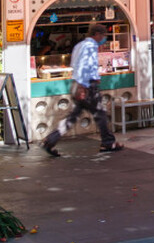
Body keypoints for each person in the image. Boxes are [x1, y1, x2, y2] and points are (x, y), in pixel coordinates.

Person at [43, 23, 123, 156]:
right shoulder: (90, 46)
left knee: (73, 116)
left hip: (78, 84)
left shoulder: (79, 45)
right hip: (87, 86)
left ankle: (51, 140)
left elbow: (74, 64)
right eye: (103, 35)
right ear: (97, 34)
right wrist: (83, 86)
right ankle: (108, 142)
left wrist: (78, 84)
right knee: (100, 114)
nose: (104, 38)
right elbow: (83, 66)